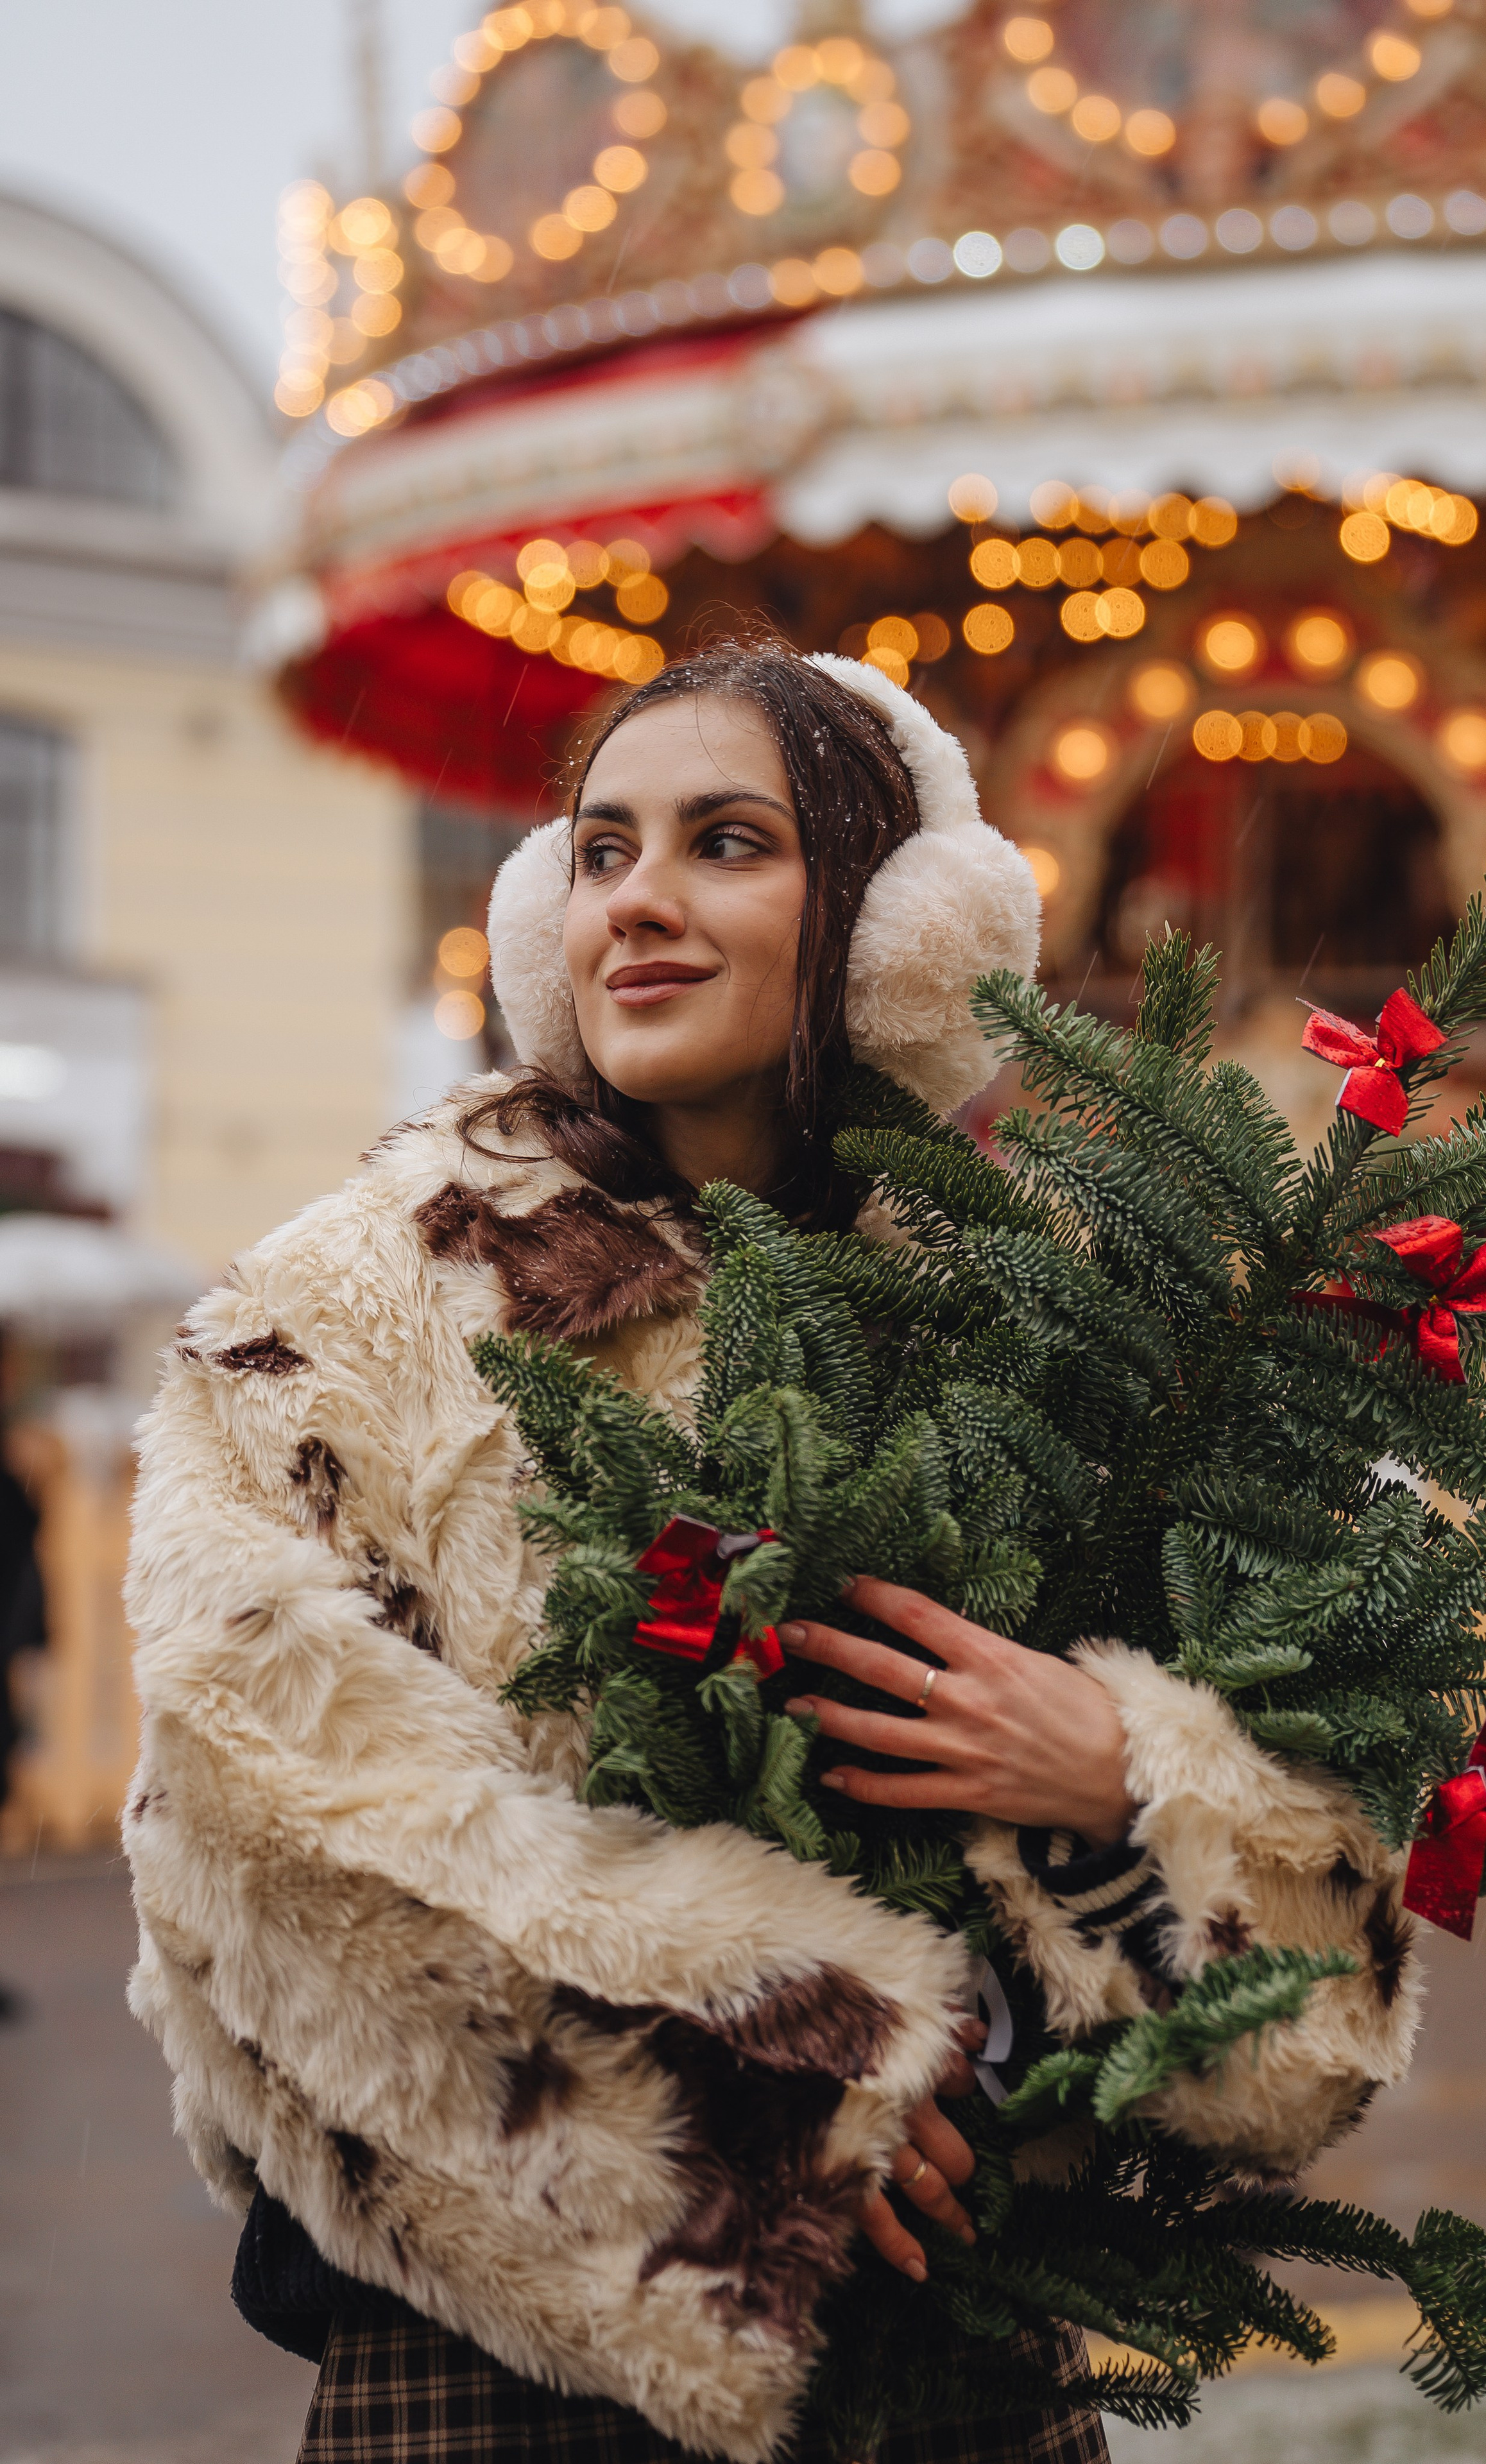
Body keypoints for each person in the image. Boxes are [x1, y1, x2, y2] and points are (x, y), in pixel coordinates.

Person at [123, 641, 1419, 2464]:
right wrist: (788, 2086)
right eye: (602, 852)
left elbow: (1311, 1996)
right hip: (512, 2362)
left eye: (726, 842)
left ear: (893, 927)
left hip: (959, 2359)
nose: (638, 900)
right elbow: (257, 1826)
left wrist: (1123, 1778)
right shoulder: (350, 1309)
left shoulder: (1032, 1314)